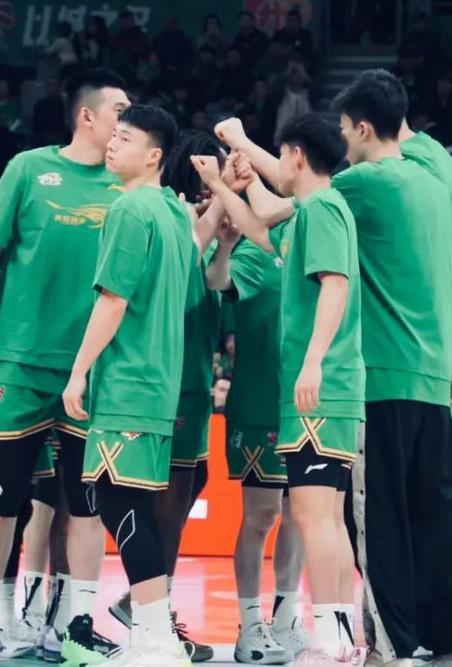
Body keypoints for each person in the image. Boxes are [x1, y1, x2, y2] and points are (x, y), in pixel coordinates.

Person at [215, 70, 452, 665]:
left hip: (383, 372)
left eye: (347, 129)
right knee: (433, 515)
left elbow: (290, 195)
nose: (343, 141)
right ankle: (438, 636)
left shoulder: (361, 184)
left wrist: (238, 143)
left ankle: (389, 644)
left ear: (365, 129)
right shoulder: (436, 169)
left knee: (376, 521)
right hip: (438, 375)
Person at [0, 68, 130, 667]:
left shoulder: (128, 186)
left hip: (91, 370)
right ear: (87, 116)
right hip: (21, 363)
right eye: (120, 110)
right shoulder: (27, 169)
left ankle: (76, 627)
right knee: (3, 497)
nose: (127, 120)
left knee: (85, 505)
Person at [193, 112, 364, 664]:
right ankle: (335, 636)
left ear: (295, 156)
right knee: (325, 519)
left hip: (319, 388)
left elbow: (334, 284)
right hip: (310, 395)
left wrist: (312, 363)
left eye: (282, 154)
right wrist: (224, 183)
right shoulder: (312, 211)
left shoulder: (321, 208)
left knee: (313, 519)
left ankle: (330, 638)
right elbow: (263, 222)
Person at [62, 103, 193, 667]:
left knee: (121, 507)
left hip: (128, 382)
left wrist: (79, 370)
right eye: (112, 135)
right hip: (159, 381)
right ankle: (155, 637)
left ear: (154, 155)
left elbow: (113, 300)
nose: (112, 144)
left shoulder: (131, 209)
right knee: (130, 506)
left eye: (125, 138)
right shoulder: (172, 213)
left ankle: (156, 640)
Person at [107, 130, 224, 664]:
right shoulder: (171, 217)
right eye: (210, 171)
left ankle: (146, 607)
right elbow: (189, 250)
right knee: (165, 501)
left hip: (194, 376)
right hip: (166, 380)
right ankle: (153, 616)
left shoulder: (203, 226)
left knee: (190, 483)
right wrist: (222, 197)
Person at [203, 150, 307, 664]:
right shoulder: (253, 251)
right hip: (260, 405)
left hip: (308, 404)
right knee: (262, 516)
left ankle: (287, 617)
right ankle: (250, 626)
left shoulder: (312, 240)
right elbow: (217, 281)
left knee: (303, 515)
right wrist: (224, 248)